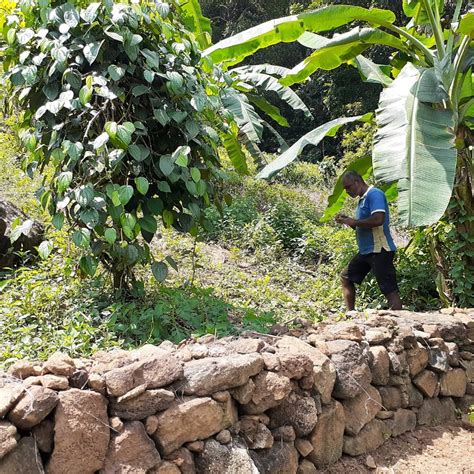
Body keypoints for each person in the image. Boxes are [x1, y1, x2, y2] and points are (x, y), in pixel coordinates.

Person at [335, 171, 402, 311]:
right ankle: (351, 314)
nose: (347, 191)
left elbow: (378, 219)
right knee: (346, 277)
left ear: (357, 182)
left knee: (389, 289)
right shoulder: (362, 199)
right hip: (367, 251)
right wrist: (350, 222)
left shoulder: (374, 194)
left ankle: (402, 323)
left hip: (380, 250)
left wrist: (355, 221)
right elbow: (364, 226)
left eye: (348, 187)